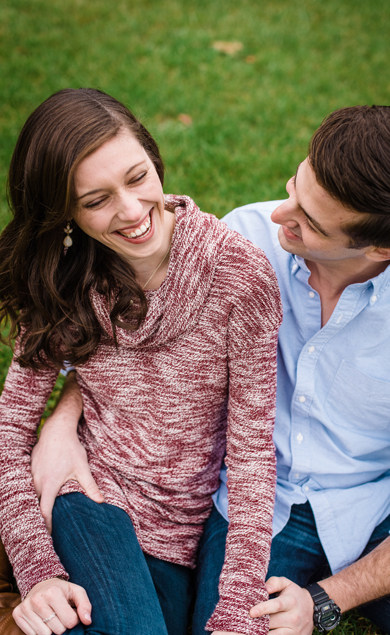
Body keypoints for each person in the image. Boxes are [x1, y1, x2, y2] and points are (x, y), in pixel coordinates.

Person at [31, 105, 390, 635]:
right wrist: (62, 421)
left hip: (373, 504)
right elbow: (135, 341)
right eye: (294, 188)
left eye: (308, 222)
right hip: (256, 505)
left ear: (382, 249)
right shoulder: (244, 238)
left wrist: (329, 599)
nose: (280, 215)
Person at [0, 89, 282, 635]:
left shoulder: (239, 276)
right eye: (95, 200)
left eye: (136, 177)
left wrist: (238, 592)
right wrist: (37, 569)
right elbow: (10, 429)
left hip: (191, 525)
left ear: (154, 160)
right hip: (93, 495)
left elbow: (251, 451)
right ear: (63, 212)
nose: (130, 212)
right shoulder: (64, 277)